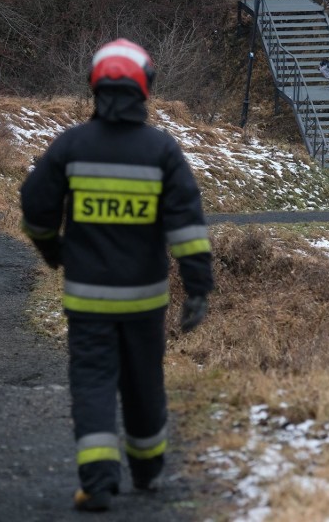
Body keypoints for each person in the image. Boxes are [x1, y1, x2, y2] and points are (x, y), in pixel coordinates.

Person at [19, 38, 214, 512]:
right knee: (144, 381)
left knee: (92, 382)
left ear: (94, 86)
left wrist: (54, 252)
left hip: (87, 299)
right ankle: (147, 468)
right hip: (145, 301)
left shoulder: (72, 145)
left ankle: (99, 481)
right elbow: (187, 226)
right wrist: (198, 288)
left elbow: (35, 208)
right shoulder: (161, 151)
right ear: (145, 88)